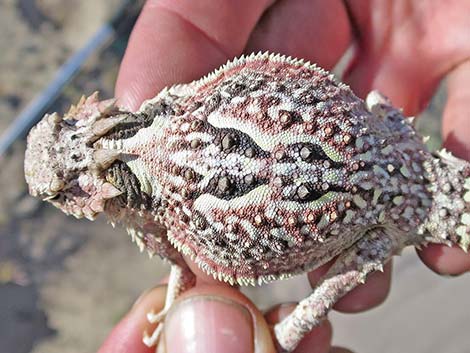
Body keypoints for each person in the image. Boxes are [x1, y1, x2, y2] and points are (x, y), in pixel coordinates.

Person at [98, 1, 470, 352]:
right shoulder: (163, 111)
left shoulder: (154, 216)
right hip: (387, 158)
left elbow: (180, 263)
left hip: (384, 199)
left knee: (310, 313)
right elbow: (377, 103)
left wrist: (285, 337)